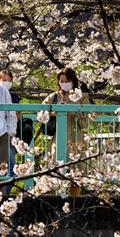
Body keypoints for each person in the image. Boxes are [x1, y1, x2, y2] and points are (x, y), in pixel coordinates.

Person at [42, 68, 90, 196]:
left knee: (76, 177)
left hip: (77, 139)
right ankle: (53, 205)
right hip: (58, 140)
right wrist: (56, 113)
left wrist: (75, 113)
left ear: (73, 81)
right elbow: (40, 112)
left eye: (67, 80)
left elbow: (86, 123)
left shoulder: (82, 97)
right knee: (53, 174)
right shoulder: (54, 97)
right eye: (61, 81)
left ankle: (75, 204)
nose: (64, 83)